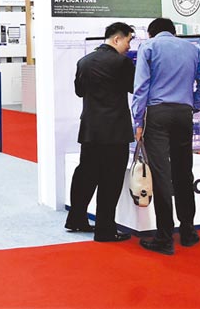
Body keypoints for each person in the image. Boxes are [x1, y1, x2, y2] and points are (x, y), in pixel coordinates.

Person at [132, 18, 200, 255]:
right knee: (183, 172)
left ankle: (164, 237)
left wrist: (138, 121)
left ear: (151, 33)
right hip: (183, 114)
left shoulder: (148, 47)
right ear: (173, 31)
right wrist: (193, 105)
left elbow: (141, 88)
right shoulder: (192, 49)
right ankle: (188, 231)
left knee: (161, 175)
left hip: (157, 113)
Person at [65, 22, 135, 242]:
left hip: (90, 128)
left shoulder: (84, 61)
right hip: (115, 130)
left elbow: (79, 91)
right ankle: (105, 230)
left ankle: (76, 218)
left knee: (85, 174)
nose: (129, 46)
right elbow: (135, 87)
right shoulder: (122, 62)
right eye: (128, 40)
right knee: (111, 180)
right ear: (117, 39)